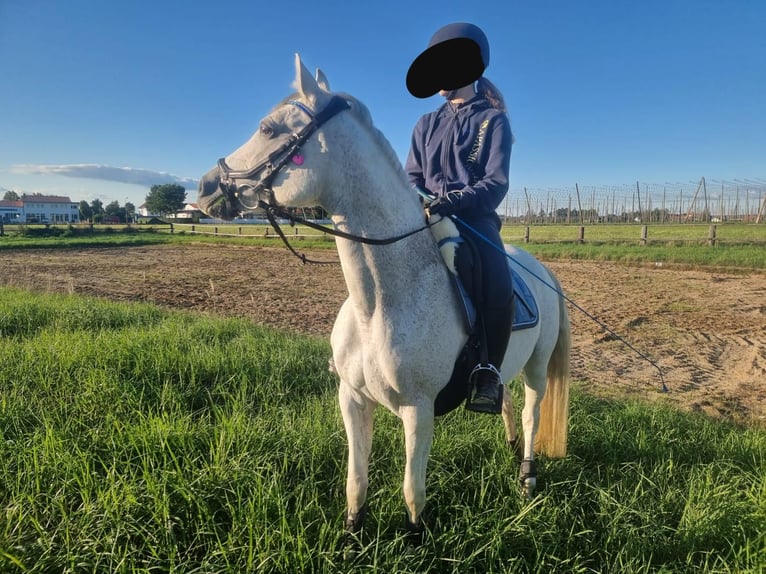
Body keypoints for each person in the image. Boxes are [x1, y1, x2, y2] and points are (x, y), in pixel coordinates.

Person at [404, 22, 514, 414]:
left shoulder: (492, 122)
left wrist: (453, 201)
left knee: (497, 280)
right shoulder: (425, 125)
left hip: (474, 219)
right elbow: (412, 177)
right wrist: (419, 198)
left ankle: (487, 370)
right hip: (426, 217)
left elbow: (495, 183)